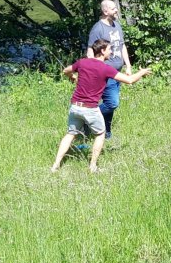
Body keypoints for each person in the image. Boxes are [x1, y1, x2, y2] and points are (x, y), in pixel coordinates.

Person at [51, 39, 151, 172]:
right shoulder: (105, 68)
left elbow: (65, 70)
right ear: (102, 51)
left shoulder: (83, 62)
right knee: (100, 134)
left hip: (75, 106)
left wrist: (73, 77)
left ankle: (55, 165)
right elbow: (129, 80)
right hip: (90, 109)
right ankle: (92, 166)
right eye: (109, 49)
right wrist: (142, 72)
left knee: (70, 134)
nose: (111, 52)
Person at [87, 0, 131, 139]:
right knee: (112, 103)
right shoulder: (98, 29)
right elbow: (90, 52)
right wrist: (93, 72)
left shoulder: (116, 25)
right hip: (105, 73)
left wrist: (128, 65)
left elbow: (122, 46)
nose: (116, 10)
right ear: (105, 11)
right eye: (113, 9)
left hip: (117, 72)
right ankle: (87, 121)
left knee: (110, 105)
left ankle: (107, 133)